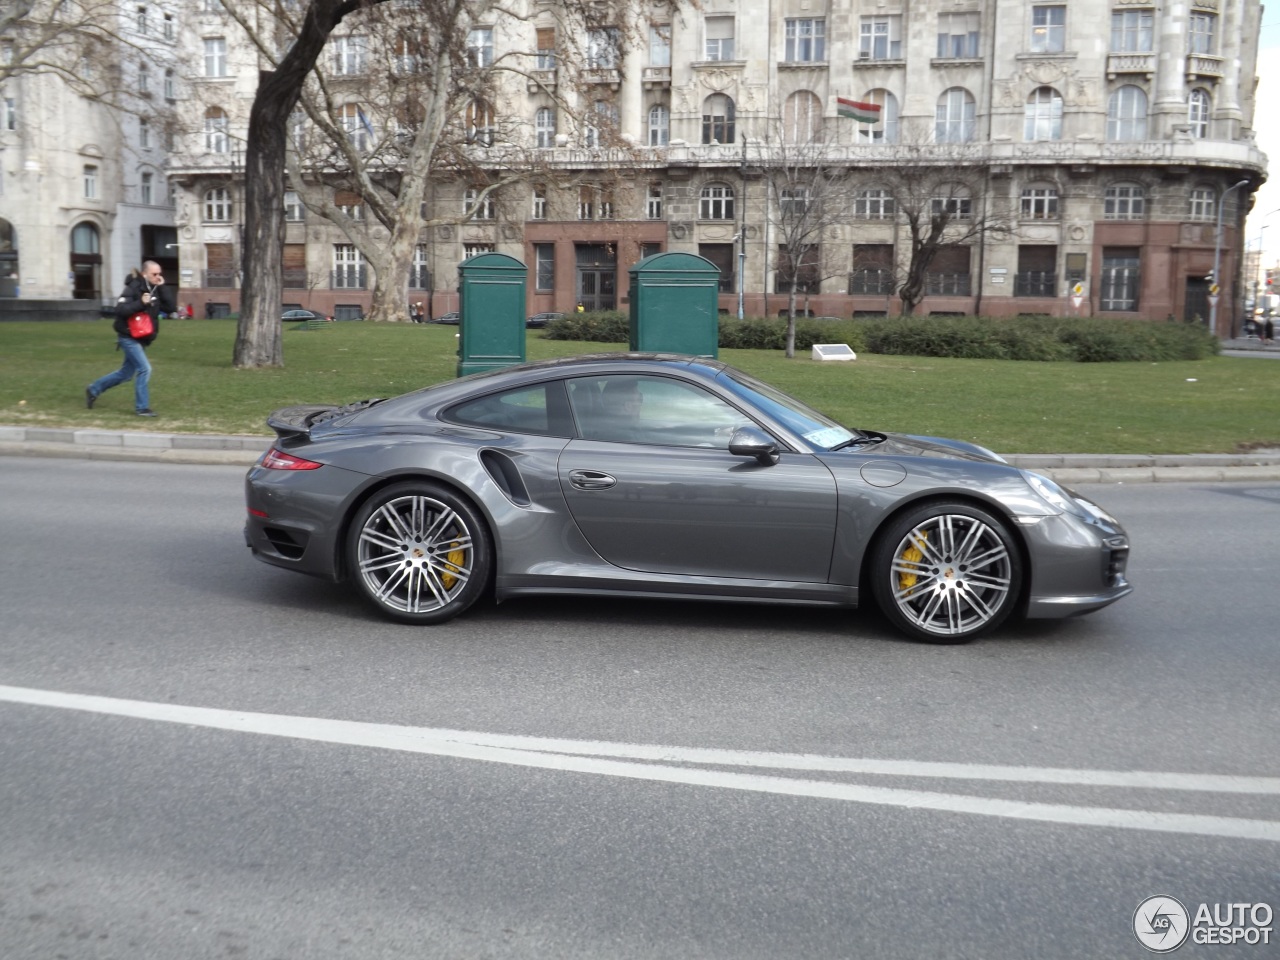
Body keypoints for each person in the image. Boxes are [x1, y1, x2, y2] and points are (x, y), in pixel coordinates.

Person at [85, 260, 175, 417]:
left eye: (160, 274)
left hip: (141, 337)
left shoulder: (155, 288)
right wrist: (141, 303)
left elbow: (170, 308)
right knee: (145, 369)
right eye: (155, 274)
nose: (158, 277)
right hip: (128, 336)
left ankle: (94, 389)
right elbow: (120, 310)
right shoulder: (133, 287)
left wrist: (163, 287)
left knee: (126, 374)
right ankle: (142, 408)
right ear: (144, 274)